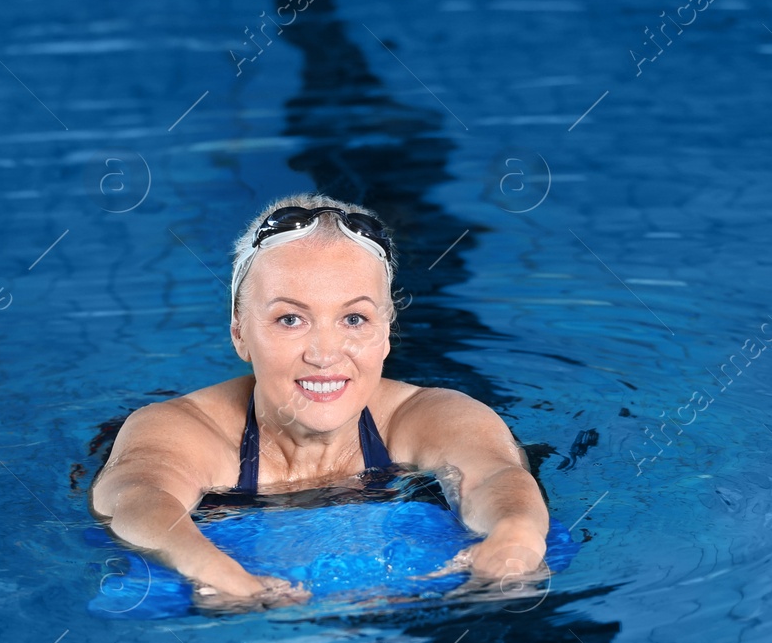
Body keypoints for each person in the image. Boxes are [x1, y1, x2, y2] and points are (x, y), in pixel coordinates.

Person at [89, 193, 552, 610]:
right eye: (290, 319)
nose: (325, 355)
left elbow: (496, 476)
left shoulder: (429, 415)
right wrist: (216, 572)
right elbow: (137, 498)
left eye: (354, 318)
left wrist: (515, 534)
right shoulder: (184, 429)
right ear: (239, 333)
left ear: (387, 331)